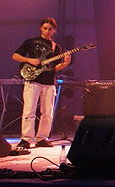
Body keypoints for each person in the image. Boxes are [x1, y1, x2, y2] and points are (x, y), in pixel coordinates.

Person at [12, 18, 71, 149]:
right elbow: (15, 56)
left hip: (49, 81)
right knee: (29, 110)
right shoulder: (31, 42)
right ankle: (26, 139)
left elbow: (54, 67)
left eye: (50, 29)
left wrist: (66, 63)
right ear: (41, 28)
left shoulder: (56, 47)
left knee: (47, 112)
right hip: (33, 80)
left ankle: (42, 138)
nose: (47, 31)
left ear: (54, 30)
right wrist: (29, 60)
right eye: (45, 28)